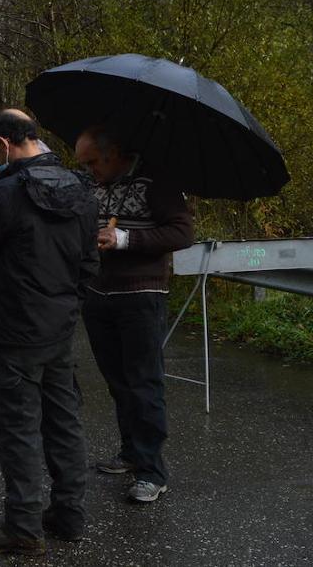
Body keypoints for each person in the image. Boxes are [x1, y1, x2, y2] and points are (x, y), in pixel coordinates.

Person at [0, 110, 99, 555]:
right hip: (60, 326)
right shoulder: (80, 187)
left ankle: (23, 528)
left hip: (17, 329)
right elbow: (88, 262)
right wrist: (67, 304)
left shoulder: (3, 193)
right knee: (64, 422)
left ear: (4, 144)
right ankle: (69, 515)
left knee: (18, 428)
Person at [74, 125, 194, 504]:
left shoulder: (155, 180)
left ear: (113, 153)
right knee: (117, 381)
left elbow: (181, 233)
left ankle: (151, 471)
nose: (90, 170)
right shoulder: (94, 183)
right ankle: (131, 452)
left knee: (144, 383)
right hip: (98, 291)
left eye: (93, 162)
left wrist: (125, 239)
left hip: (141, 294)